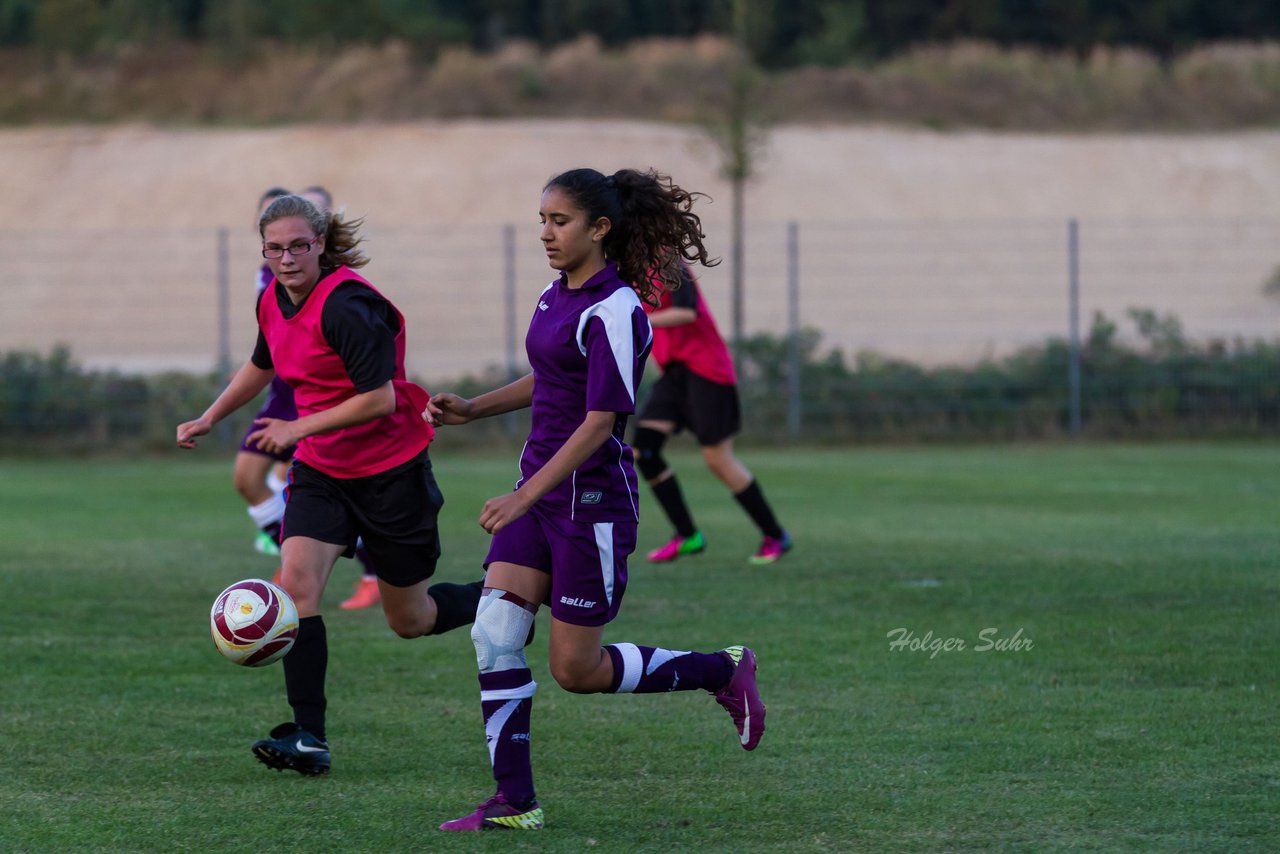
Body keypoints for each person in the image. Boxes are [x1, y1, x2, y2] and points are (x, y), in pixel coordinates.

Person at [426, 167, 765, 832]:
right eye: (543, 221)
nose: (547, 234)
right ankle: (515, 804)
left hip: (591, 507)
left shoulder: (618, 310)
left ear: (600, 228)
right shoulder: (556, 298)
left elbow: (601, 421)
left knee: (576, 671)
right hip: (543, 497)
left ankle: (723, 670)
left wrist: (525, 493)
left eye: (560, 221)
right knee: (494, 635)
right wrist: (474, 408)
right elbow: (549, 377)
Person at [178, 193, 484, 776]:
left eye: (298, 246)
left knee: (410, 620)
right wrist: (212, 415)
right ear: (264, 251)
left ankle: (505, 592)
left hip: (392, 473)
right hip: (322, 471)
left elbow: (381, 398)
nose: (287, 259)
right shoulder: (271, 295)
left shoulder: (346, 305)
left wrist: (296, 426)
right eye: (275, 249)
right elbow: (262, 363)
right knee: (294, 588)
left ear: (320, 244)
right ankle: (309, 737)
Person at [634, 263, 793, 565]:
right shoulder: (627, 271)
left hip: (707, 370)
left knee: (717, 459)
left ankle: (775, 534)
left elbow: (687, 312)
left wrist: (637, 317)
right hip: (674, 373)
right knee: (645, 450)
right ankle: (687, 535)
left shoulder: (670, 265)